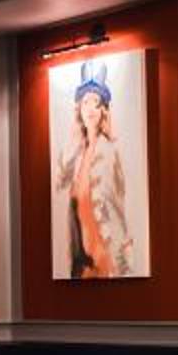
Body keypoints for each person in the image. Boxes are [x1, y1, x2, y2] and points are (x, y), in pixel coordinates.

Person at [53, 65, 133, 278]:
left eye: (96, 103)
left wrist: (123, 256)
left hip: (105, 254)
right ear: (78, 109)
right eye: (85, 102)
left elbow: (117, 205)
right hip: (81, 259)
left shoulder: (109, 151)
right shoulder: (77, 153)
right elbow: (59, 182)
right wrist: (73, 141)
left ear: (103, 110)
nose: (90, 109)